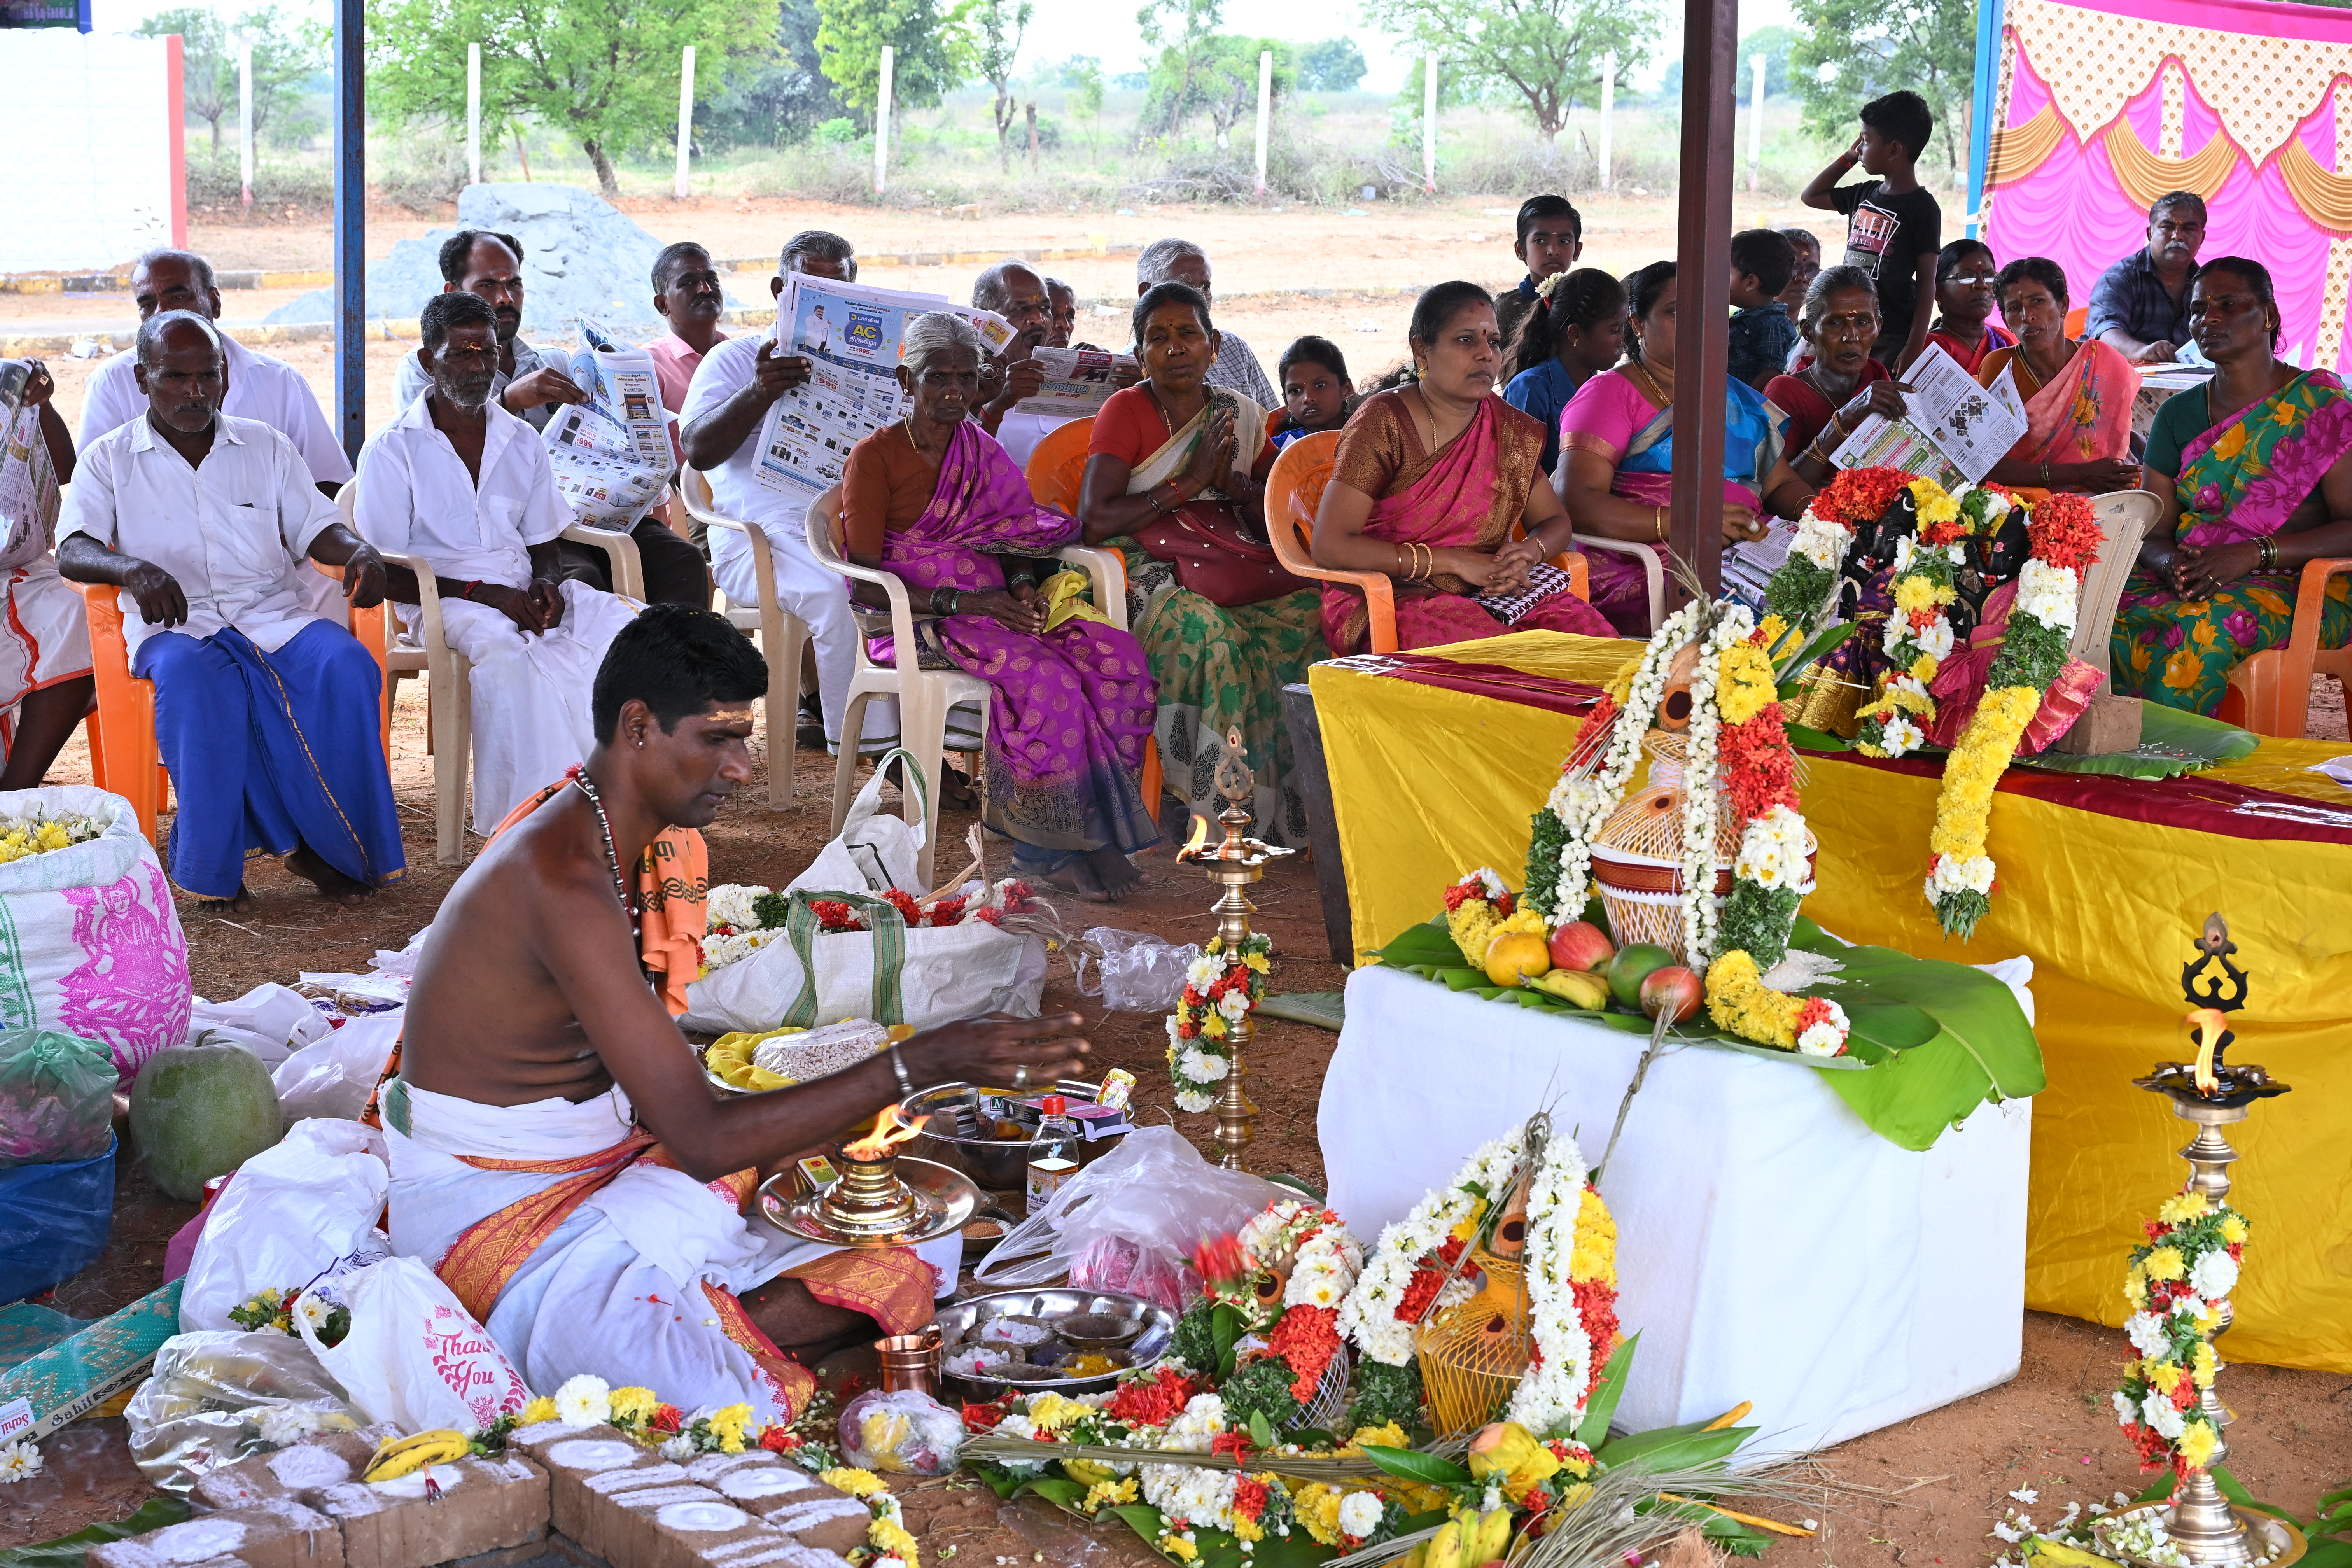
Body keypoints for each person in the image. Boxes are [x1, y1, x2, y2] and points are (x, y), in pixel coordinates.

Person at [387, 600, 1092, 1418]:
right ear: (640, 726)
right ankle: (748, 1334)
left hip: (610, 1160)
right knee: (714, 1398)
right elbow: (700, 1139)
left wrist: (856, 1114)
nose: (742, 767)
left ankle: (753, 1317)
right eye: (718, 738)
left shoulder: (626, 839)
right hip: (501, 1217)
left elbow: (675, 1098)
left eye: (745, 738)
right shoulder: (562, 876)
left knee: (919, 1222)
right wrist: (919, 1063)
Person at [57, 312, 403, 909]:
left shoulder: (265, 445)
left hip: (271, 614)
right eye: (176, 377)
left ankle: (335, 847)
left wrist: (359, 552)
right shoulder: (108, 460)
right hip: (176, 627)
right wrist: (129, 569)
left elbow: (318, 530)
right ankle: (220, 868)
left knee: (347, 666)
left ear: (224, 377)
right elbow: (74, 548)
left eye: (208, 376)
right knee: (195, 684)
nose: (195, 392)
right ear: (143, 378)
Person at [842, 313, 1159, 900]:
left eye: (966, 377)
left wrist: (1017, 587)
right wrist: (969, 600)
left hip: (994, 610)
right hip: (920, 621)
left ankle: (1095, 837)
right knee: (1048, 681)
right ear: (905, 381)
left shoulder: (981, 452)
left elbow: (1013, 538)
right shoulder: (876, 457)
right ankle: (1045, 850)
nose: (954, 392)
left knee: (1118, 661)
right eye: (938, 377)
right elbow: (865, 583)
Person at [355, 293, 640, 832]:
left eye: (486, 353)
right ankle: (524, 822)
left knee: (627, 629)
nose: (477, 367)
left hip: (517, 591)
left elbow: (544, 543)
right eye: (460, 354)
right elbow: (385, 571)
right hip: (440, 600)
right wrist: (484, 595)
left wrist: (549, 584)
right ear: (426, 361)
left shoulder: (522, 440)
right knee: (507, 653)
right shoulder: (394, 449)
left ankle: (614, 801)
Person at [1077, 282, 1325, 845]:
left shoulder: (1237, 413)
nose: (1175, 348)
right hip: (1144, 569)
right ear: (1141, 354)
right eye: (1158, 338)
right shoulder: (1127, 410)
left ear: (1214, 345)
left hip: (1229, 556)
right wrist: (1187, 485)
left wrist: (1229, 485)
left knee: (1314, 611)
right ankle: (1228, 811)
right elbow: (1094, 520)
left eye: (1188, 334)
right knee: (1209, 634)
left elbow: (1270, 501)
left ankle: (1299, 810)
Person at [680, 229, 897, 760]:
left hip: (849, 513)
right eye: (808, 287)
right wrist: (760, 391)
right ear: (782, 289)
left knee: (919, 577)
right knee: (836, 591)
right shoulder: (732, 359)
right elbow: (697, 450)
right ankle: (872, 744)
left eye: (838, 288)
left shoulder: (872, 361)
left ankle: (930, 726)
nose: (825, 302)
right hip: (759, 535)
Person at [1312, 280, 1617, 656]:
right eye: (1466, 340)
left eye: (1494, 341)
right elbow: (1330, 546)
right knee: (1495, 664)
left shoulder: (1509, 429)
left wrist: (1528, 554)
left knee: (1592, 644)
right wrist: (1453, 562)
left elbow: (1556, 522)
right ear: (1421, 348)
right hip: (1397, 597)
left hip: (1494, 591)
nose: (1486, 354)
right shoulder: (1383, 422)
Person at [2113, 257, 2352, 715]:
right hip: (2198, 574)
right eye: (2198, 309)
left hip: (2302, 585)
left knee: (2197, 631)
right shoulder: (2177, 415)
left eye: (2228, 304)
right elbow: (2155, 530)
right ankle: (2096, 751)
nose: (2209, 319)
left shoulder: (2323, 406)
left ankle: (2180, 765)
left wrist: (2253, 554)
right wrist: (2171, 565)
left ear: (2267, 316)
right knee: (2089, 607)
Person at [1556, 261, 1813, 636]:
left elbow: (1780, 484)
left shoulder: (1737, 397)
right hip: (1651, 565)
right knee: (1756, 622)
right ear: (1638, 323)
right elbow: (1575, 501)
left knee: (1844, 588)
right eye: (1677, 312)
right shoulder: (1610, 394)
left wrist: (1823, 518)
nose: (1698, 325)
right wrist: (1690, 525)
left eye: (1709, 312)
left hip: (1747, 552)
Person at [77, 248, 352, 495]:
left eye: (177, 296)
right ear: (141, 380)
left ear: (214, 302)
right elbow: (92, 492)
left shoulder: (280, 382)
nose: (162, 312)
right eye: (148, 304)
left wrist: (276, 532)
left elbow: (330, 482)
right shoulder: (113, 382)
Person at [0, 360, 94, 789]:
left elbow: (66, 471)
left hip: (18, 571)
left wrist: (44, 406)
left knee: (80, 609)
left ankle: (15, 795)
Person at [391, 230, 588, 432]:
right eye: (487, 285)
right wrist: (509, 401)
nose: (506, 298)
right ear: (453, 293)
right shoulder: (424, 368)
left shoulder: (556, 362)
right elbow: (431, 450)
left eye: (514, 284)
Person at [1801, 90, 1942, 369]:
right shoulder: (1864, 193)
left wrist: (1915, 344)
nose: (1860, 148)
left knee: (1878, 394)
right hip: (1847, 319)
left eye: (1865, 141)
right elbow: (1811, 196)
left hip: (1891, 332)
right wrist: (1848, 158)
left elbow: (1928, 282)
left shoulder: (1923, 208)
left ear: (1894, 150)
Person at [1977, 257, 2140, 497]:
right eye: (2014, 308)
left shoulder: (2104, 362)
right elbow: (1986, 464)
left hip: (2100, 496)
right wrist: (2078, 474)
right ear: (2006, 322)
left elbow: (2113, 451)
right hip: (2024, 502)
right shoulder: (2001, 367)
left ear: (2063, 305)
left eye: (2039, 301)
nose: (2027, 316)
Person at [1773, 265, 1908, 482]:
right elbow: (1777, 488)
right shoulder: (1786, 392)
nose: (1852, 337)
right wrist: (1844, 420)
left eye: (1863, 323)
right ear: (1809, 331)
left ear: (1879, 327)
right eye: (1835, 323)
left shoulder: (1876, 376)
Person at [1501, 268, 1629, 475]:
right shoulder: (1531, 389)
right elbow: (1517, 476)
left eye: (1623, 328)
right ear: (1575, 333)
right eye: (1615, 330)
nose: (1623, 341)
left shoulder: (1602, 387)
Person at [1135, 239, 1279, 410]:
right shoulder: (1128, 371)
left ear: (1214, 344)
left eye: (1205, 286)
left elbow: (1273, 422)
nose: (1201, 297)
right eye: (1185, 288)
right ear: (1147, 292)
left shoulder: (1233, 347)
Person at [2087, 192, 2207, 366]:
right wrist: (2142, 352)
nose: (2178, 236)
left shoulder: (2208, 285)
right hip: (2116, 381)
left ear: (2202, 238)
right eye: (2168, 227)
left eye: (2189, 229)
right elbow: (2105, 333)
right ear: (2150, 233)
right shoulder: (2120, 277)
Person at [646, 241, 730, 473]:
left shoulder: (741, 356)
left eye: (712, 280)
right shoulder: (648, 367)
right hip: (685, 502)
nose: (706, 289)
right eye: (689, 283)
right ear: (663, 305)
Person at [1493, 195, 1585, 355]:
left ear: (1577, 251)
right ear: (1521, 250)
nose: (1554, 251)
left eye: (1564, 241)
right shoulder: (1506, 309)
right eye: (1540, 241)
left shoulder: (1586, 302)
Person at [1922, 239, 2016, 375]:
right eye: (1967, 277)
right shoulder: (1933, 347)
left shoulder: (2007, 339)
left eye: (1989, 276)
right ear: (1938, 291)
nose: (1982, 285)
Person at [1727, 229, 1801, 391]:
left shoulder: (1771, 324)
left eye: (1726, 272)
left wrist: (1746, 402)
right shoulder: (1746, 316)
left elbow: (1771, 372)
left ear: (1751, 283)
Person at [1270, 336, 1356, 452]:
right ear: (1287, 402)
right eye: (1296, 391)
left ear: (1346, 389)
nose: (1308, 398)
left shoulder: (1369, 437)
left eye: (1320, 385)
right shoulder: (1279, 449)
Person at [1776, 228, 1822, 320]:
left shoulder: (1812, 332)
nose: (1803, 278)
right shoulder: (1746, 328)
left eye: (1812, 270)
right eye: (1793, 268)